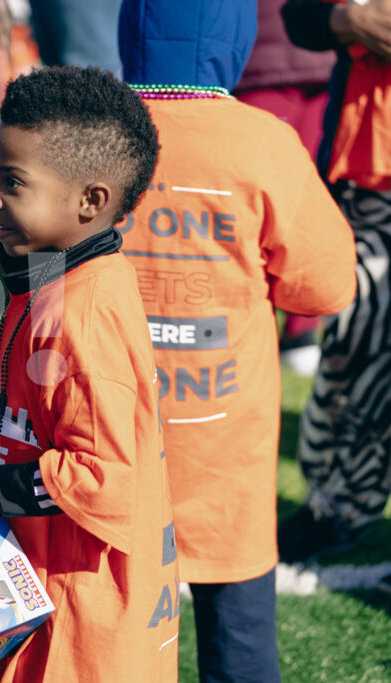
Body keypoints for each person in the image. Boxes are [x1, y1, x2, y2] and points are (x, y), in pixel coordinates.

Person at [117, 0, 358, 679]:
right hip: (224, 453)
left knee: (112, 635)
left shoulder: (88, 130)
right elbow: (326, 284)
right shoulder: (263, 140)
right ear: (238, 35)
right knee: (241, 640)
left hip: (108, 445)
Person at [0, 66, 179, 682]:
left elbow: (107, 480)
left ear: (91, 201)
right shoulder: (48, 277)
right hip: (37, 592)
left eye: (14, 181)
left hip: (84, 624)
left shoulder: (81, 314)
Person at [277, 0, 391, 582]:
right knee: (350, 346)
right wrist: (352, 20)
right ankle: (338, 506)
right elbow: (299, 16)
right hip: (368, 174)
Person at [234, 0, 338, 376]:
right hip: (262, 63)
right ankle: (267, 321)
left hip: (321, 57)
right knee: (258, 202)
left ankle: (301, 327)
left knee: (307, 201)